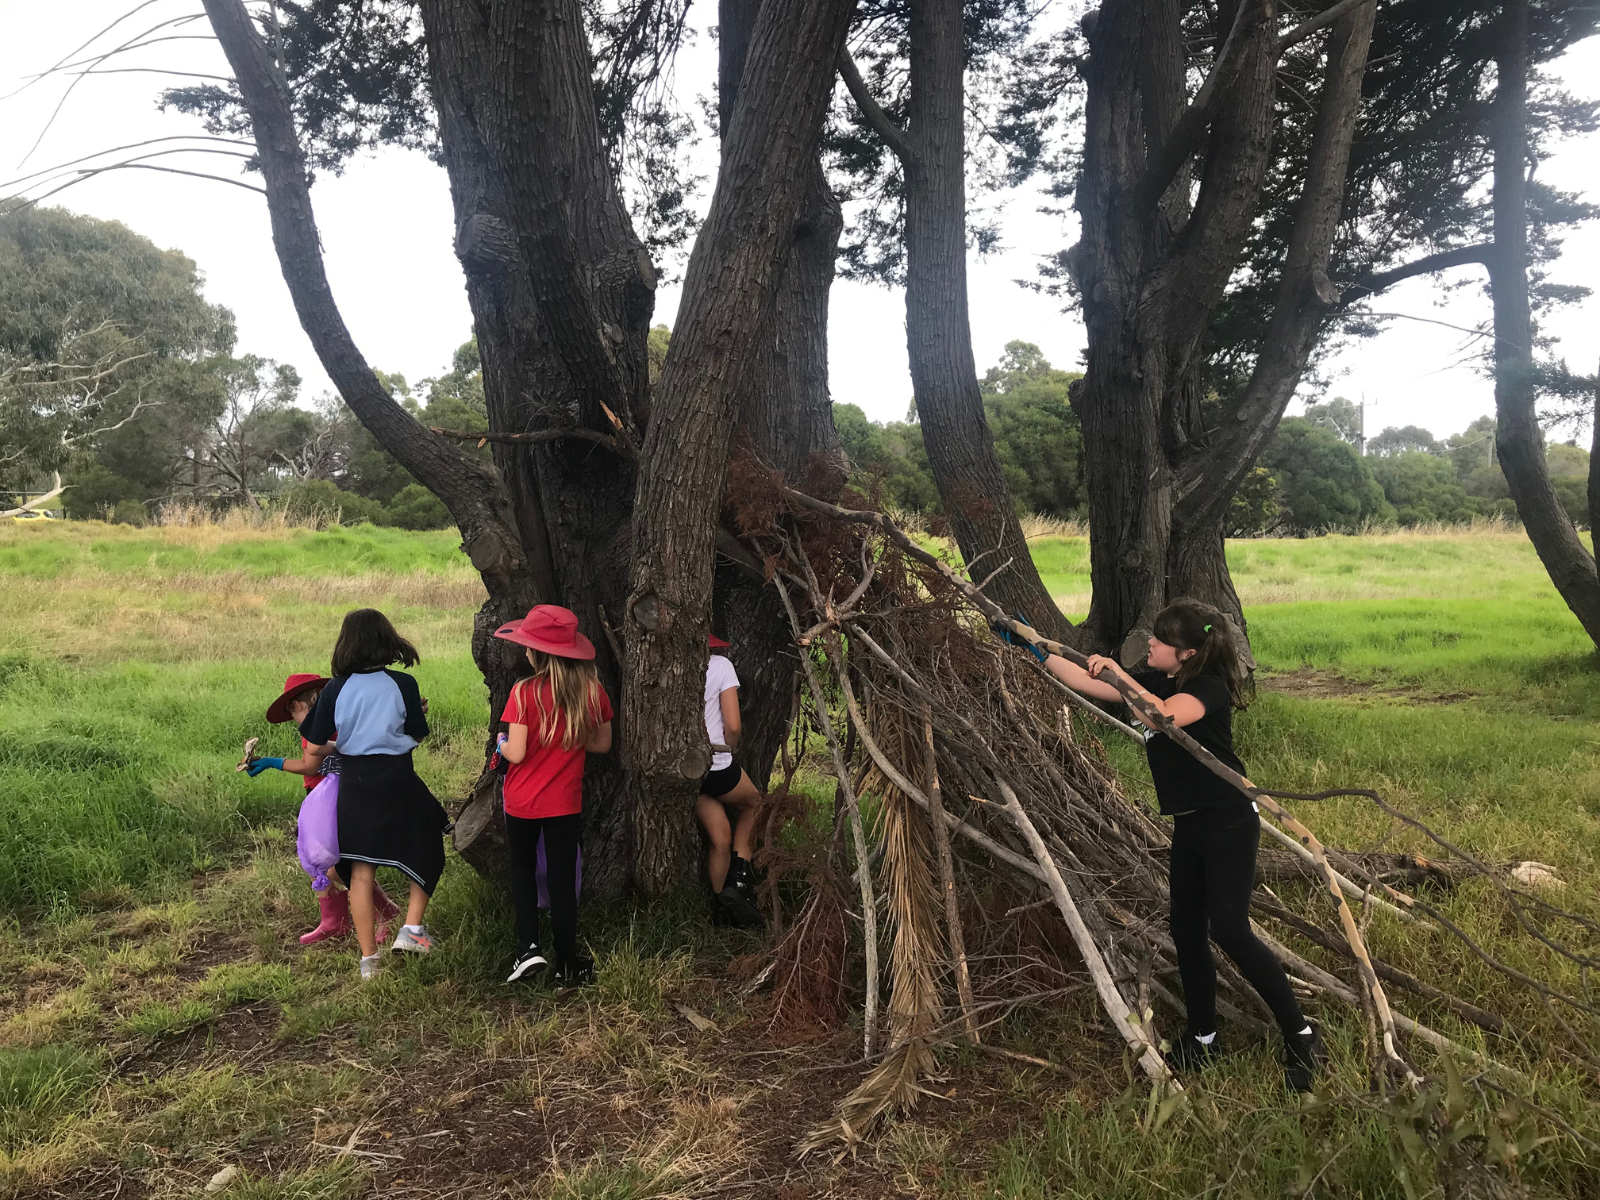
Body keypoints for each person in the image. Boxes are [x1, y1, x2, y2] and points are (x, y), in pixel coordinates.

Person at [1007, 598, 1320, 1092]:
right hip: (1190, 825)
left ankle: (1301, 1036)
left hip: (1230, 821)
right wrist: (1032, 645)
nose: (1149, 643)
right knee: (1186, 929)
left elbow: (1163, 719)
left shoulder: (1205, 689)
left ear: (1188, 653)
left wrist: (1119, 674)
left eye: (1160, 641)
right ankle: (1203, 1036)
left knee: (1231, 929)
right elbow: (1087, 681)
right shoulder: (1159, 680)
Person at [299, 610, 450, 979]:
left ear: (346, 643)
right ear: (387, 640)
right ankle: (412, 929)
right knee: (428, 845)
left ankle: (369, 960)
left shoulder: (335, 688)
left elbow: (315, 747)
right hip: (398, 778)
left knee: (360, 871)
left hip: (355, 785)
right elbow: (417, 735)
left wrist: (348, 739)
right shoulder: (403, 684)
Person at [491, 605, 613, 987]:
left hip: (522, 802)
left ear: (537, 653)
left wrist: (501, 740)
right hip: (564, 802)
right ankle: (566, 962)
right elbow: (602, 743)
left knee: (523, 872)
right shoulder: (591, 691)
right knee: (563, 880)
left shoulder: (523, 691)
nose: (525, 651)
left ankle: (527, 949)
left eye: (528, 645)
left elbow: (517, 753)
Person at [246, 673, 402, 945]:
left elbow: (310, 766)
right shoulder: (335, 719)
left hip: (329, 800)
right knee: (321, 859)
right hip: (331, 795)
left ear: (299, 706)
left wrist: (274, 762)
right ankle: (335, 921)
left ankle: (384, 911)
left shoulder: (313, 725)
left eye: (291, 712)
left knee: (331, 864)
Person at [696, 634, 764, 929]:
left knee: (721, 835)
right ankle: (739, 878)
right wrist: (730, 748)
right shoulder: (720, 665)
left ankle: (721, 911)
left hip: (683, 770)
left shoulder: (668, 668)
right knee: (754, 805)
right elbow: (733, 725)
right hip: (715, 763)